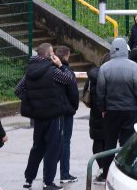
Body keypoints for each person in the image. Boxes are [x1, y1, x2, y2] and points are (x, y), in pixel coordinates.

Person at [15, 43, 76, 190]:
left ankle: (28, 179)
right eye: (52, 52)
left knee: (37, 148)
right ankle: (48, 182)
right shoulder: (52, 70)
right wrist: (61, 65)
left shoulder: (30, 71)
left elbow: (18, 90)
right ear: (49, 55)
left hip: (38, 116)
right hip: (54, 115)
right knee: (53, 149)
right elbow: (70, 80)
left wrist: (33, 101)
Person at [96, 38, 137, 182]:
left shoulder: (104, 68)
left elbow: (100, 92)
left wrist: (103, 108)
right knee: (127, 143)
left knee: (109, 143)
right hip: (130, 109)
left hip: (111, 111)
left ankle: (106, 172)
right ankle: (126, 172)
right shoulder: (134, 67)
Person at [55, 46, 79, 185]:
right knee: (65, 143)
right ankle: (64, 173)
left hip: (53, 112)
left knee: (53, 143)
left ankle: (49, 175)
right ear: (66, 56)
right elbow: (74, 92)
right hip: (65, 111)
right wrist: (73, 107)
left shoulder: (51, 70)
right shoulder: (66, 72)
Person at [85, 54, 109, 186]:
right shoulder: (108, 76)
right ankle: (105, 169)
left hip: (95, 114)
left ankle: (101, 168)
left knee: (97, 141)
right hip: (106, 113)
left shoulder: (92, 77)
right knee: (107, 142)